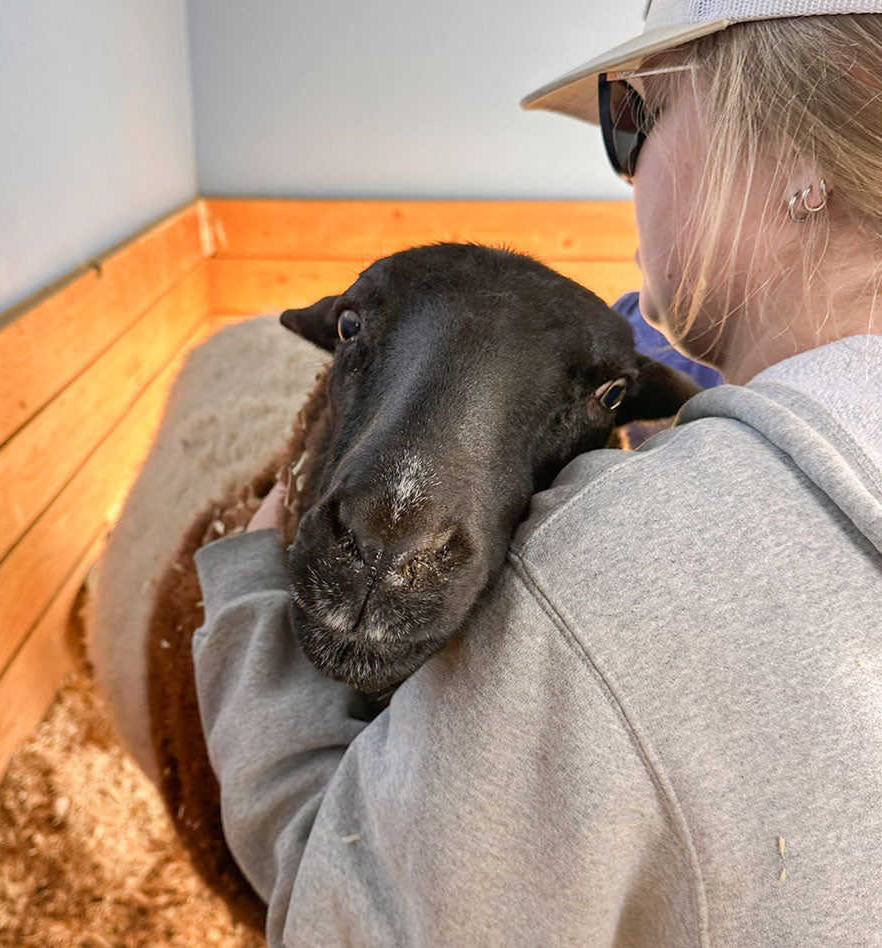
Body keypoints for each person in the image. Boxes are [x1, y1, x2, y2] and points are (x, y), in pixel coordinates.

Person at [192, 2, 882, 944]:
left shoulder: (605, 581)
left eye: (632, 119)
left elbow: (340, 913)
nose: (629, 177)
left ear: (807, 137)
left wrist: (246, 593)